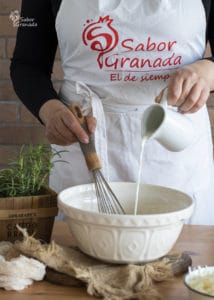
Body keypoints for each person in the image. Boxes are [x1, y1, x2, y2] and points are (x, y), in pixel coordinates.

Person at [10, 0, 214, 224]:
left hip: (174, 145)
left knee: (184, 252)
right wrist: (49, 109)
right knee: (78, 253)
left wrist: (207, 70)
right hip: (84, 143)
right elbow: (26, 65)